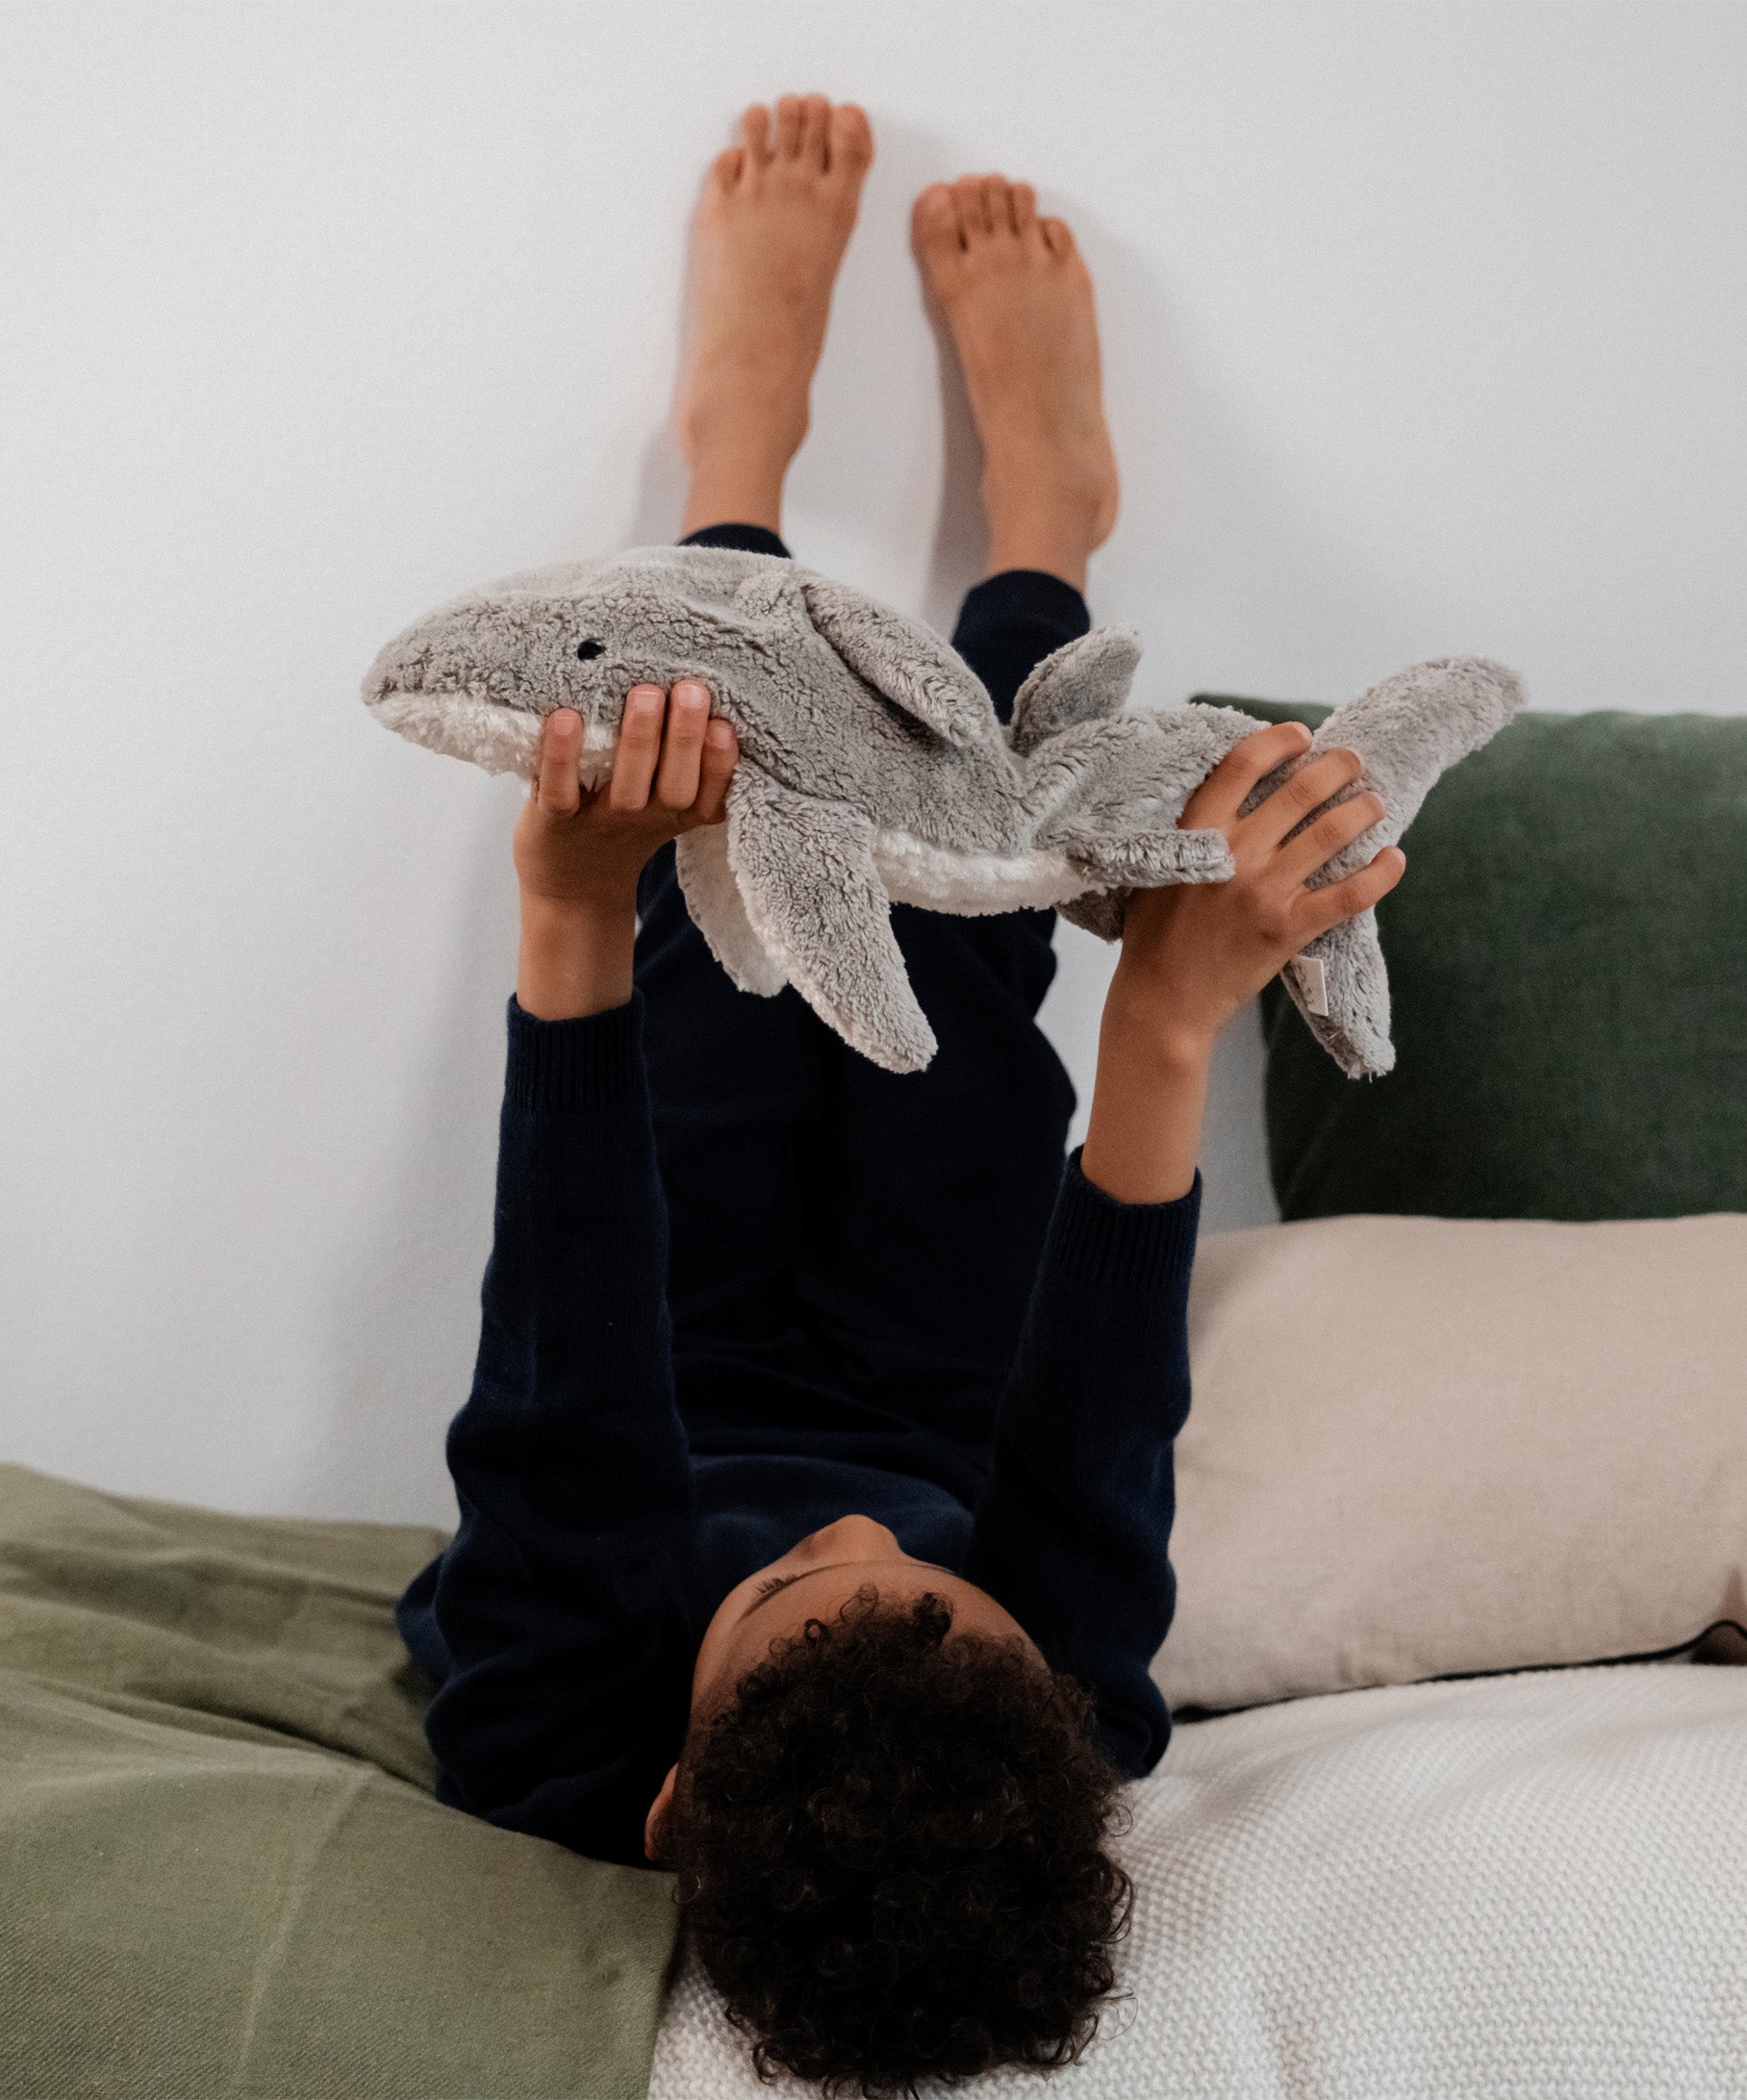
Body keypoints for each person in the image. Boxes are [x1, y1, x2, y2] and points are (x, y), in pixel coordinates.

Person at [396, 95, 1403, 2093]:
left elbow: (568, 1337)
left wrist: (567, 901)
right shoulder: (1059, 1714)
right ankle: (1047, 534)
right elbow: (1096, 1420)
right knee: (953, 957)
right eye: (924, 1572)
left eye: (790, 1581)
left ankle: (732, 472)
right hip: (930, 1366)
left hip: (658, 1370)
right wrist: (1171, 1026)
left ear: (671, 1796)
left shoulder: (549, 1709)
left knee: (712, 885)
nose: (858, 1530)